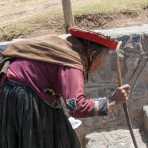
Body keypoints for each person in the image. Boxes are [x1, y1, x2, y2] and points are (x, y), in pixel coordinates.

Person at [0, 27, 130, 148]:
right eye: (104, 57)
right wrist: (111, 101)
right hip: (24, 98)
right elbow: (76, 107)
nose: (102, 64)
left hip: (16, 91)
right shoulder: (71, 62)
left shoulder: (64, 49)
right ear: (93, 54)